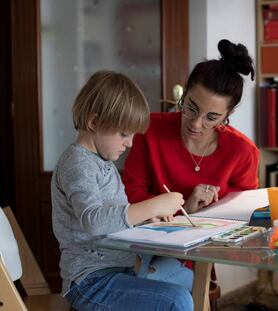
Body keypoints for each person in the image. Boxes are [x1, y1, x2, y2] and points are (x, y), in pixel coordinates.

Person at [51, 71, 193, 311]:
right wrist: (152, 205)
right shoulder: (77, 164)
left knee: (188, 278)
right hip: (91, 282)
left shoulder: (104, 164)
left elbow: (113, 219)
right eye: (124, 134)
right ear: (94, 123)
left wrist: (147, 218)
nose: (130, 143)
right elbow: (93, 221)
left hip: (121, 268)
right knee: (177, 300)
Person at [123, 39, 259, 215]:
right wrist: (183, 209)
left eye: (211, 118)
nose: (195, 124)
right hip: (153, 235)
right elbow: (130, 194)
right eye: (191, 108)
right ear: (184, 94)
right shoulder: (149, 129)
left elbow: (242, 210)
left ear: (227, 115)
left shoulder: (243, 151)